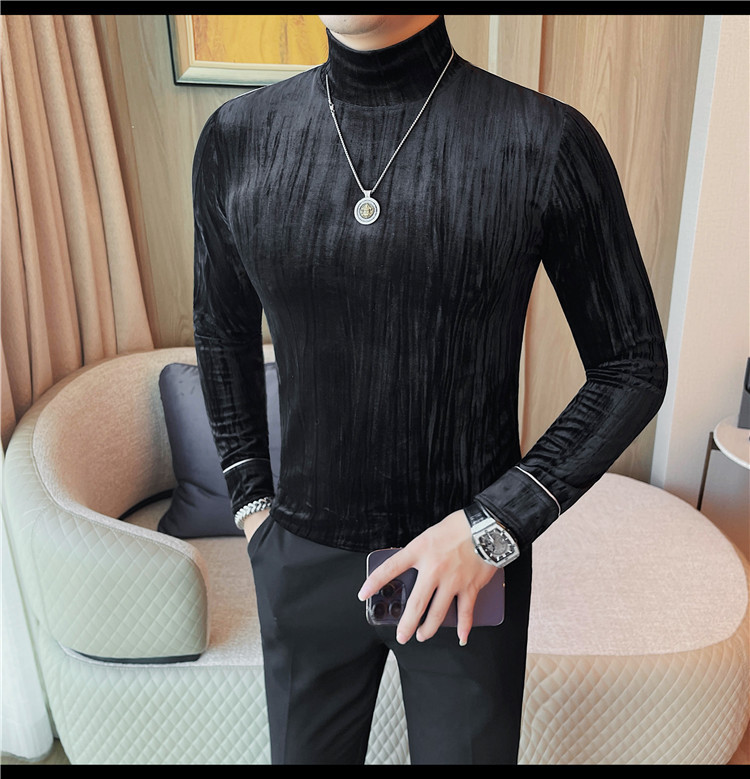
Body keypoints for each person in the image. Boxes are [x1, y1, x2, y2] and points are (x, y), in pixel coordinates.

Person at [192, 14, 667, 765]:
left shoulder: (543, 141)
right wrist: (253, 506)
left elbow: (632, 364)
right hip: (301, 559)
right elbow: (222, 335)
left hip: (469, 563)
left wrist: (496, 525)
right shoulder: (238, 139)